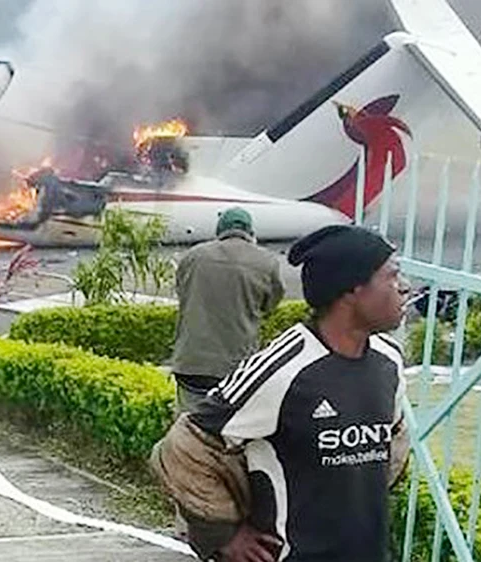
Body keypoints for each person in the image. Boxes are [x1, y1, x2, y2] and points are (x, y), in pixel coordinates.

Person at [153, 224, 411, 561]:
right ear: (352, 289)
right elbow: (183, 447)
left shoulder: (387, 359)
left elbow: (394, 444)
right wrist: (223, 534)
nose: (403, 288)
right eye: (391, 277)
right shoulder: (285, 368)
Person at [171, 207, 285, 414]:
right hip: (236, 368)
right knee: (231, 432)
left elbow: (182, 293)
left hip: (190, 364)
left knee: (187, 431)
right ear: (251, 233)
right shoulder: (267, 262)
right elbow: (269, 306)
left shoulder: (193, 256)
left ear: (219, 231)